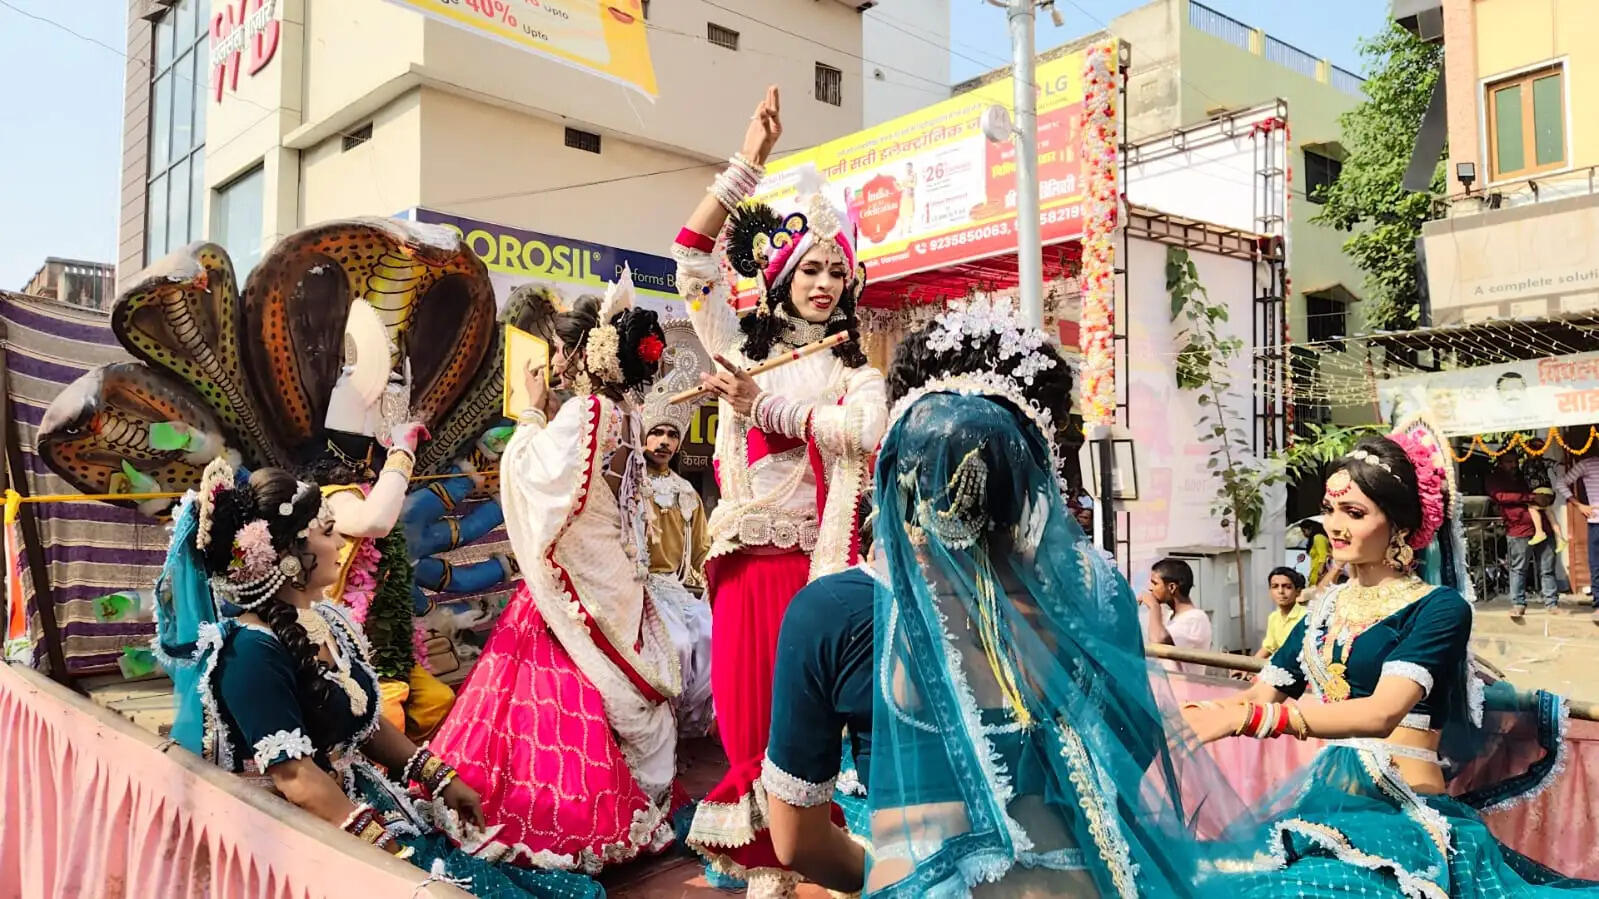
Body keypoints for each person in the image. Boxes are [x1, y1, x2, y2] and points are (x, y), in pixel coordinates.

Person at [151, 459, 603, 898]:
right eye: (328, 532)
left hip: (368, 804)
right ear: (288, 557)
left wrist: (442, 780)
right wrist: (388, 853)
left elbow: (364, 725)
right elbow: (295, 778)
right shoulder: (249, 652)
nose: (341, 544)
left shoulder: (328, 620)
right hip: (313, 836)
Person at [1180, 425, 1595, 896]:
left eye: (1354, 513)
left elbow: (1381, 713)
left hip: (1407, 816)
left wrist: (1250, 719)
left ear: (1398, 525)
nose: (1335, 526)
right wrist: (1186, 717)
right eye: (1330, 509)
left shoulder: (1437, 608)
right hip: (1332, 810)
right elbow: (1262, 693)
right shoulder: (1322, 609)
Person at [761, 302, 1075, 894]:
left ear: (903, 459)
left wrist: (899, 878)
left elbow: (797, 842)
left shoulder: (834, 612)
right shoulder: (1094, 602)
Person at [674, 85, 886, 894]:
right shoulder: (736, 344)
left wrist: (765, 408)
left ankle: (802, 864)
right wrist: (748, 159)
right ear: (780, 275)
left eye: (837, 270)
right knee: (742, 723)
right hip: (743, 566)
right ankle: (764, 865)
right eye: (811, 268)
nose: (824, 281)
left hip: (813, 575)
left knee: (798, 735)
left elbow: (864, 432)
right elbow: (690, 257)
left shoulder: (854, 372)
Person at [427, 276, 685, 874]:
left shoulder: (587, 410)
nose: (558, 364)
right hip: (606, 570)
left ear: (584, 356)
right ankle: (637, 798)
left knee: (556, 687)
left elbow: (541, 483)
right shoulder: (624, 413)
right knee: (615, 683)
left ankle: (568, 811)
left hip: (578, 576)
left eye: (562, 351)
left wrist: (526, 412)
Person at [639, 350, 715, 738]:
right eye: (657, 433)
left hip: (675, 588)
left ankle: (685, 730)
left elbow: (701, 550)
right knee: (679, 645)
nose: (665, 441)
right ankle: (660, 730)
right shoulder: (630, 484)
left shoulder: (687, 492)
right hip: (637, 586)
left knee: (711, 635)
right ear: (643, 436)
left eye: (672, 435)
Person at [1487, 452, 1559, 620]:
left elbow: (1545, 489)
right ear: (1500, 463)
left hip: (1544, 527)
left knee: (1547, 569)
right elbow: (1500, 496)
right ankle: (1518, 604)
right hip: (1518, 529)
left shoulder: (1527, 474)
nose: (1513, 465)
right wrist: (1532, 497)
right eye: (1509, 462)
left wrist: (1546, 497)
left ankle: (1552, 604)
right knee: (1519, 569)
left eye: (1515, 461)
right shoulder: (1494, 478)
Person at [1140, 557, 1214, 675]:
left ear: (1172, 587)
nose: (1150, 588)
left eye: (1155, 583)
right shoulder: (1171, 615)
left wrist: (1154, 606)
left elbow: (1158, 641)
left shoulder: (1196, 619)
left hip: (1184, 686)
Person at [1556, 445, 1599, 620]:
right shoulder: (1587, 464)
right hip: (1596, 522)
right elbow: (1561, 483)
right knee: (1596, 565)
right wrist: (1579, 505)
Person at [1258, 566, 1307, 658]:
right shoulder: (1273, 617)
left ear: (1298, 591)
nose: (1280, 591)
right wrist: (1247, 665)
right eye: (1275, 587)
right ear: (1270, 591)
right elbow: (1268, 647)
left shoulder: (1306, 617)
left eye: (1287, 587)